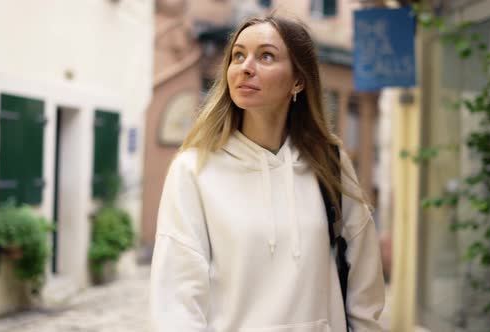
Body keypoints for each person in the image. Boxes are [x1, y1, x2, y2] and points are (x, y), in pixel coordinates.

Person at [150, 15, 385, 332]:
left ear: (298, 81)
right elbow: (177, 298)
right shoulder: (194, 169)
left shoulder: (329, 163)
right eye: (238, 55)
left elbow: (364, 280)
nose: (246, 67)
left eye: (266, 56)